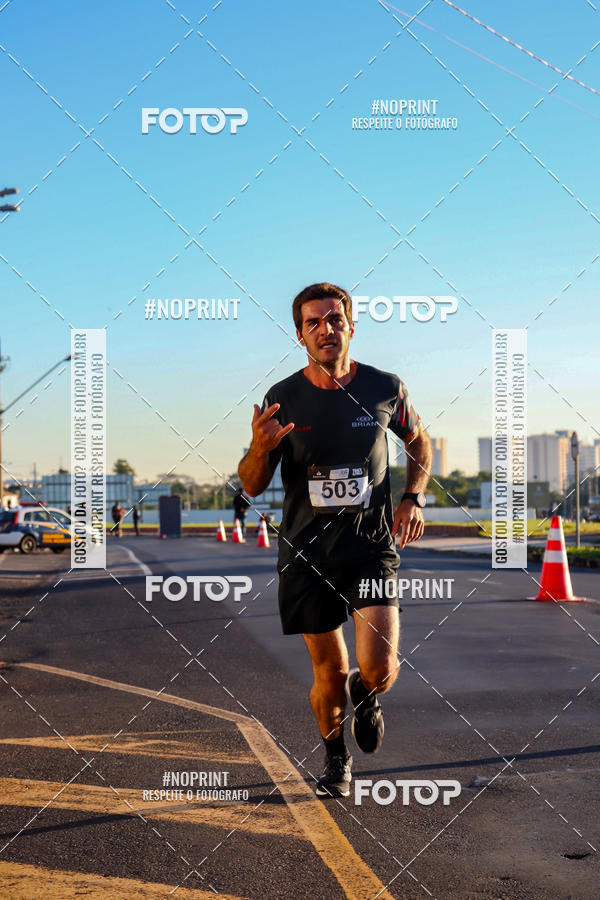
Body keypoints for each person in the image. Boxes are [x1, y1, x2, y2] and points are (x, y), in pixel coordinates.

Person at [238, 282, 432, 799]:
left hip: (370, 547)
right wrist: (259, 448)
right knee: (330, 670)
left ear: (351, 324)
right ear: (300, 333)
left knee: (379, 667)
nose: (327, 329)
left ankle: (366, 694)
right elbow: (253, 484)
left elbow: (418, 440)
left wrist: (413, 497)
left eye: (335, 319)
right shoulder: (282, 399)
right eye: (314, 322)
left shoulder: (384, 387)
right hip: (307, 554)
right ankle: (336, 758)